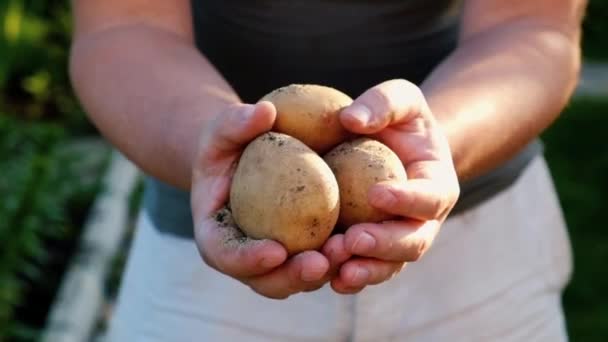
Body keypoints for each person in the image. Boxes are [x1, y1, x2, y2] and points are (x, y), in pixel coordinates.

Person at [69, 0, 585, 340]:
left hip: (481, 264)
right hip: (210, 266)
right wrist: (210, 146)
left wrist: (434, 146)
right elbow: (122, 26)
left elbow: (532, 26)